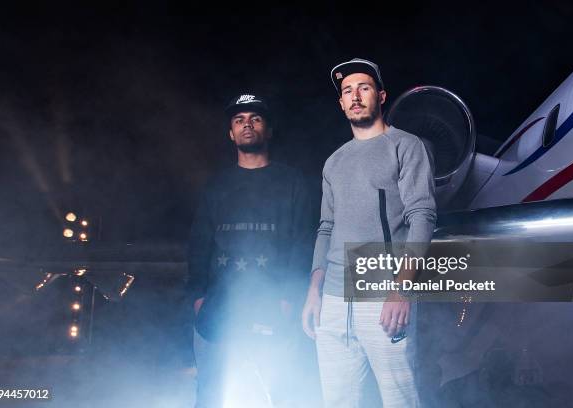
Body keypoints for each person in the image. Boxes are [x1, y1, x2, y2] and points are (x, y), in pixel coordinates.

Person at [301, 58, 437, 407]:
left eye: (363, 88)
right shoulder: (333, 162)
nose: (355, 96)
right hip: (332, 301)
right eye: (348, 91)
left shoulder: (405, 146)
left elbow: (422, 215)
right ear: (342, 103)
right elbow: (325, 228)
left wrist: (402, 289)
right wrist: (314, 291)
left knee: (400, 399)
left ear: (380, 95)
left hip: (383, 296)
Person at [187, 93, 313, 407]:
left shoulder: (292, 182)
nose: (247, 125)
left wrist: (289, 299)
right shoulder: (217, 184)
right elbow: (199, 243)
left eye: (255, 119)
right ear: (231, 133)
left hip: (274, 307)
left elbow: (303, 242)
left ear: (268, 130)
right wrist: (198, 298)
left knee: (278, 393)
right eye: (239, 120)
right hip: (218, 310)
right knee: (212, 393)